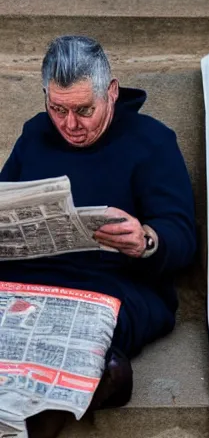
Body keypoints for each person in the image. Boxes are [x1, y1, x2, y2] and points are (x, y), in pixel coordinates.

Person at [0, 36, 197, 437]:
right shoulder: (35, 134)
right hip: (29, 283)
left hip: (115, 287)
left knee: (60, 346)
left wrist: (147, 239)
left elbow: (182, 235)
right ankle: (107, 377)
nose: (70, 124)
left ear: (111, 91)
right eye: (57, 108)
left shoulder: (151, 141)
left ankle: (94, 379)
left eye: (84, 110)